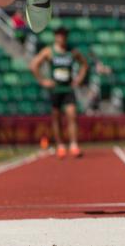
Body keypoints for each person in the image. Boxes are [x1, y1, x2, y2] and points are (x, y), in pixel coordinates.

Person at [29, 27, 88, 158]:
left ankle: (74, 145)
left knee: (72, 116)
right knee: (56, 119)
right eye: (60, 35)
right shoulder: (49, 51)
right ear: (55, 36)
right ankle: (60, 145)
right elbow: (33, 65)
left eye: (64, 35)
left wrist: (79, 79)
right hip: (55, 89)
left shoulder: (72, 52)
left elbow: (84, 64)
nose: (62, 38)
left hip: (68, 89)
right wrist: (43, 81)